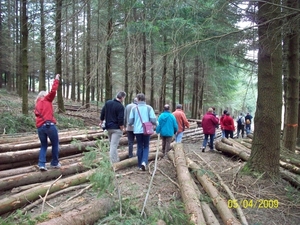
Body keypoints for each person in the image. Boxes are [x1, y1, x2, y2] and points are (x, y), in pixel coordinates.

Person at [34, 74, 61, 171]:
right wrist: (56, 80)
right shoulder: (47, 99)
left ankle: (41, 164)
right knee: (55, 144)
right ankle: (54, 163)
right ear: (45, 95)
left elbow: (40, 116)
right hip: (49, 126)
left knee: (44, 145)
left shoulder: (37, 104)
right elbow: (53, 91)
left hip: (40, 127)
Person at [128, 93, 157, 171]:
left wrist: (132, 124)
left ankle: (139, 165)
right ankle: (144, 161)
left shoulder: (134, 109)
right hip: (146, 130)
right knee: (146, 146)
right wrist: (156, 124)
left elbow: (130, 121)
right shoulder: (149, 108)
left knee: (139, 146)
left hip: (137, 130)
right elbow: (153, 120)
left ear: (138, 99)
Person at [100, 91, 126, 163]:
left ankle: (116, 159)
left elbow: (103, 112)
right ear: (122, 98)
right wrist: (122, 127)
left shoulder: (108, 103)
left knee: (112, 144)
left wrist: (101, 121)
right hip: (116, 129)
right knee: (113, 145)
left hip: (108, 127)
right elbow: (120, 118)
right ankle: (113, 161)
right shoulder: (120, 106)